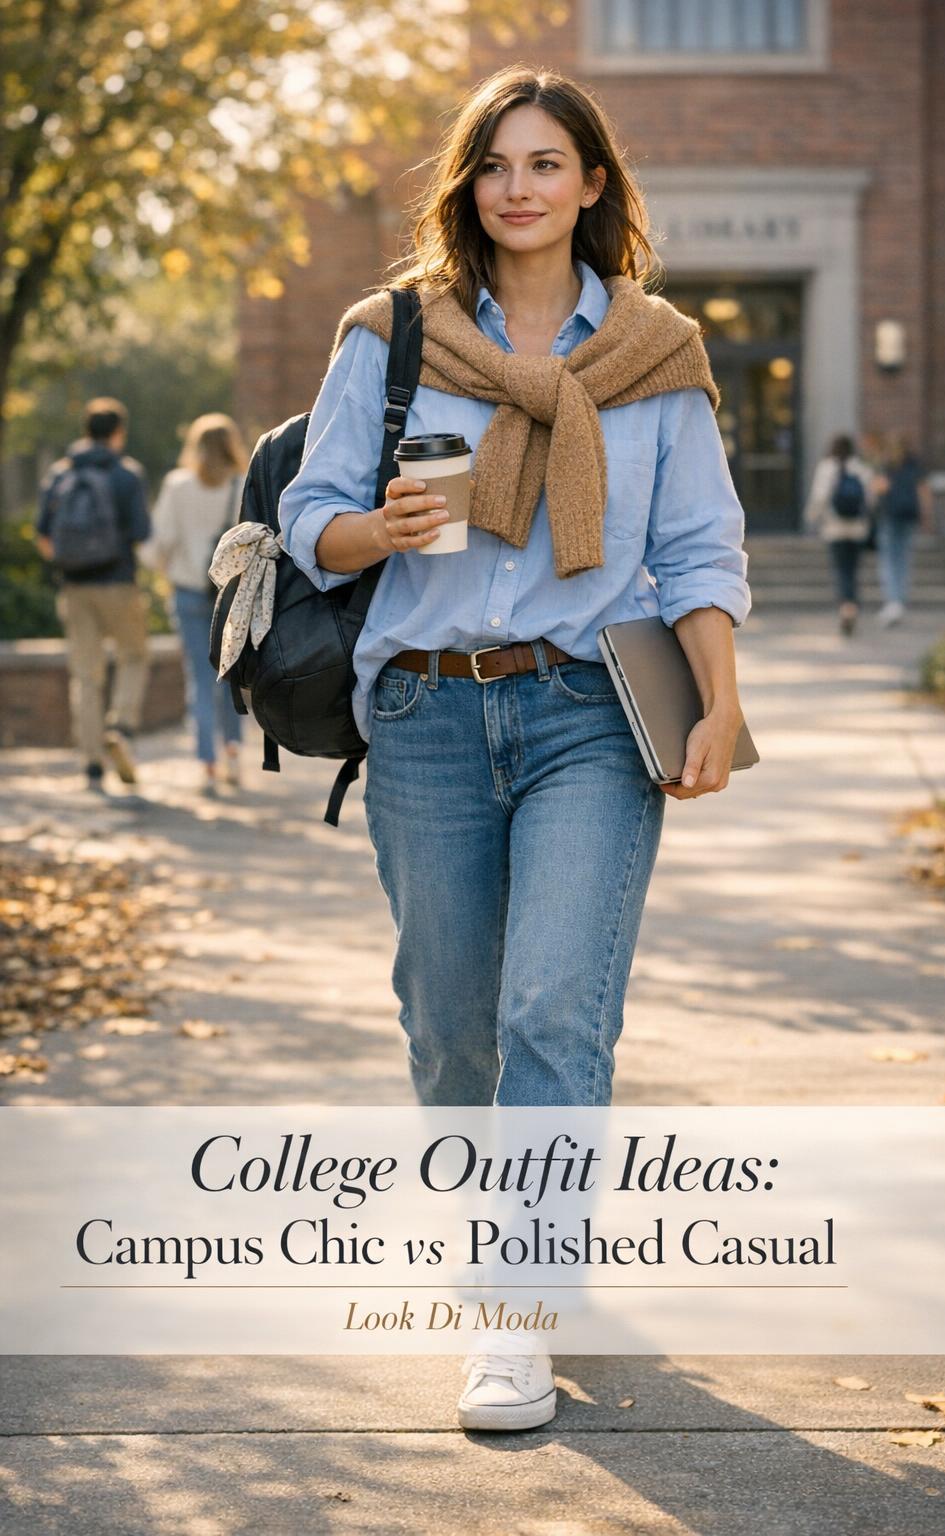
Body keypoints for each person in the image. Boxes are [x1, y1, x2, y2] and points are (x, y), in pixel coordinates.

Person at [279, 66, 752, 1432]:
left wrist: (718, 704)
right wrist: (376, 529)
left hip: (590, 713)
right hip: (425, 716)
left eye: (547, 163)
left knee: (552, 1009)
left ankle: (516, 1310)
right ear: (466, 185)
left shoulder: (656, 352)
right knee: (450, 1028)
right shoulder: (394, 336)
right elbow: (311, 515)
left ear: (592, 183)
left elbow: (697, 549)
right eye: (494, 164)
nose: (519, 188)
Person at [36, 397, 151, 793]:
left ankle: (90, 762)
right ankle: (121, 726)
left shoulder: (60, 473)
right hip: (118, 583)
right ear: (118, 433)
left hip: (75, 587)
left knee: (86, 675)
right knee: (133, 656)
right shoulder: (126, 474)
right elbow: (141, 533)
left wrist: (72, 561)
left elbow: (44, 535)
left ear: (86, 431)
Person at [142, 413, 247, 794]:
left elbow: (158, 545)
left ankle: (207, 763)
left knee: (200, 679)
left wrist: (162, 568)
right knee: (229, 674)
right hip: (230, 594)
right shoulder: (241, 484)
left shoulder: (178, 485)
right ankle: (233, 751)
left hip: (188, 592)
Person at [803, 433, 877, 636]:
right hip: (857, 528)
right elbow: (870, 499)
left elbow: (819, 497)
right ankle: (852, 606)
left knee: (841, 570)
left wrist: (811, 518)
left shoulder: (827, 468)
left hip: (835, 528)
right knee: (852, 571)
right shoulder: (861, 468)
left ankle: (846, 607)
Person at [874, 431, 930, 626]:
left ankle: (893, 601)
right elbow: (923, 492)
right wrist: (926, 516)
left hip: (890, 516)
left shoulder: (887, 466)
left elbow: (879, 489)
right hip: (909, 516)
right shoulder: (914, 465)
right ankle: (899, 600)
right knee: (903, 559)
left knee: (889, 560)